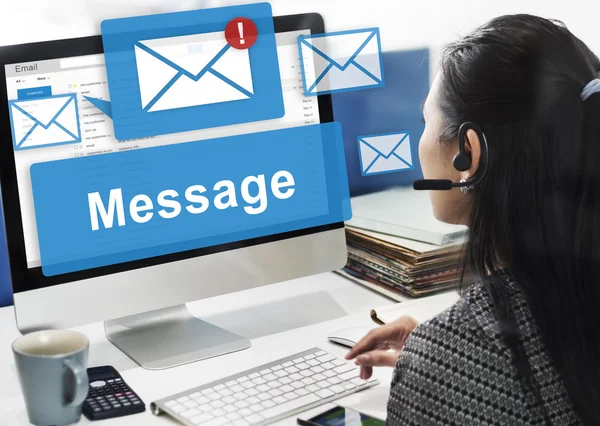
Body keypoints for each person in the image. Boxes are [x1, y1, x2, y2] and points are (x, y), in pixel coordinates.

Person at [346, 14, 600, 426]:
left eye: (425, 123)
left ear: (468, 153)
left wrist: (447, 358)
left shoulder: (449, 358)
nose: (419, 142)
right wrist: (454, 348)